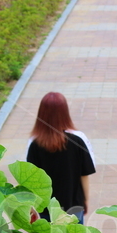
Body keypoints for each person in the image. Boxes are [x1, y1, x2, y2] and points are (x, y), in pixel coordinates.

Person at [25, 92, 96, 224]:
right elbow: (84, 175)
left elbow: (30, 181)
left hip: (44, 210)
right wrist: (85, 200)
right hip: (73, 206)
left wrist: (31, 208)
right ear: (65, 112)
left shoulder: (34, 144)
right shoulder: (78, 140)